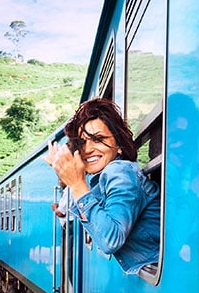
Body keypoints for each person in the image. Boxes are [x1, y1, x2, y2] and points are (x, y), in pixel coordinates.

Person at [45, 98, 160, 274]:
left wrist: (76, 184)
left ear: (119, 145)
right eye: (82, 142)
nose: (88, 149)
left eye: (98, 139)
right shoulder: (104, 176)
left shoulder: (119, 171)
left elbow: (111, 240)